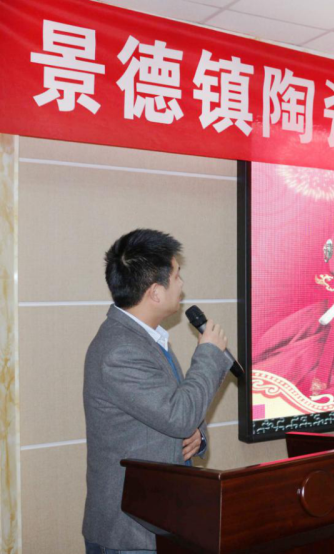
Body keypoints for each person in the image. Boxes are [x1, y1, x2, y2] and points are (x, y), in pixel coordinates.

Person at [83, 229, 230, 554]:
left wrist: (197, 433)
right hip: (131, 531)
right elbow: (179, 415)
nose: (182, 284)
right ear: (155, 292)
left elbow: (175, 406)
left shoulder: (145, 338)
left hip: (160, 516)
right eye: (176, 276)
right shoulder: (120, 351)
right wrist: (208, 353)